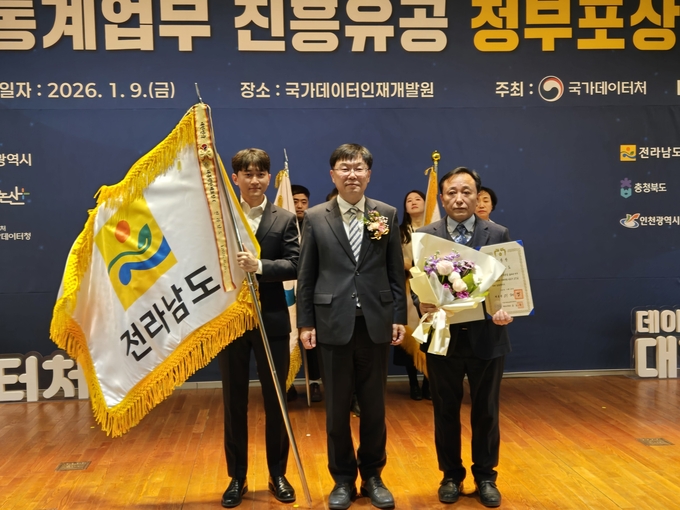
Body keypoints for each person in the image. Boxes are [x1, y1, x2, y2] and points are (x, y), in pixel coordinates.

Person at [297, 143, 407, 510]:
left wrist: (398, 316)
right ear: (333, 175)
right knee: (336, 410)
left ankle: (373, 476)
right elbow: (307, 275)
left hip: (375, 323)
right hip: (332, 323)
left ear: (369, 174)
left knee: (374, 408)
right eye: (344, 168)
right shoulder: (316, 217)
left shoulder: (385, 214)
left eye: (359, 168)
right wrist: (306, 322)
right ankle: (343, 479)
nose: (352, 174)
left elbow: (395, 271)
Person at [413, 167, 513, 508]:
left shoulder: (497, 233)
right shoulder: (426, 235)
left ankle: (486, 476)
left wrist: (507, 308)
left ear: (478, 196)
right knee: (445, 410)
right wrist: (421, 302)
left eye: (466, 191)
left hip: (488, 335)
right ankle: (451, 476)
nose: (459, 198)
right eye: (452, 192)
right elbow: (417, 284)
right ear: (442, 198)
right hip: (443, 337)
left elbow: (507, 283)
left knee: (486, 411)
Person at [218, 148, 300, 508]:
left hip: (273, 320)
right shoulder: (222, 217)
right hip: (231, 322)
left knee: (276, 400)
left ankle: (277, 473)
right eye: (247, 174)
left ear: (269, 177)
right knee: (234, 401)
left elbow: (296, 264)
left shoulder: (284, 218)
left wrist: (260, 266)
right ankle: (237, 476)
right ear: (235, 178)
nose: (254, 180)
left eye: (260, 174)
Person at [288, 183, 322, 403]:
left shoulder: (315, 224)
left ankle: (315, 382)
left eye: (303, 202)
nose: (299, 206)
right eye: (295, 201)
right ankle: (288, 382)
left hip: (311, 290)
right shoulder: (281, 225)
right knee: (287, 339)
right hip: (287, 291)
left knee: (312, 340)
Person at [396, 190, 430, 400]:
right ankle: (413, 383)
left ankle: (429, 382)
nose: (414, 202)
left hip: (431, 287)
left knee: (431, 333)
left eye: (418, 199)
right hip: (407, 286)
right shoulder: (400, 232)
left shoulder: (434, 229)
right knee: (410, 331)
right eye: (409, 200)